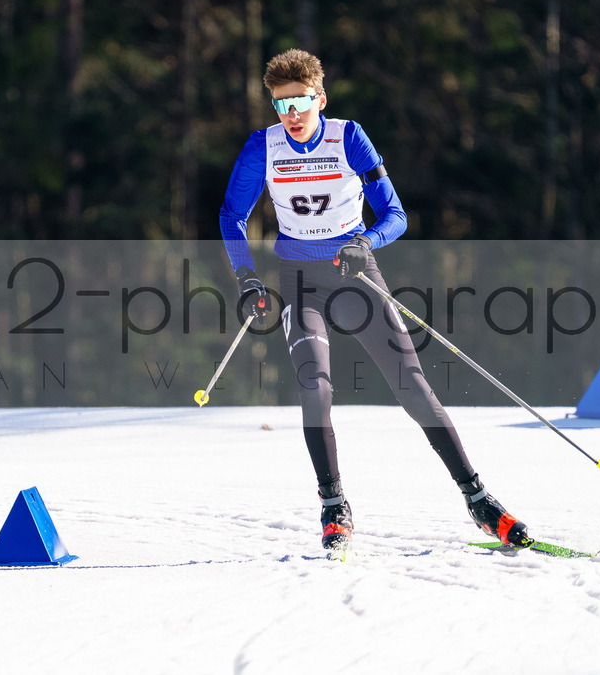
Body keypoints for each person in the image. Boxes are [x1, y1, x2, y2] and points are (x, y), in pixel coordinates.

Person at [218, 48, 529, 553]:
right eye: (280, 105)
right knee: (314, 386)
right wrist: (246, 279)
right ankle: (333, 506)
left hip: (354, 275)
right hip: (300, 279)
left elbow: (395, 215)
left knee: (412, 386)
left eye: (299, 102)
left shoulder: (348, 137)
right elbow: (231, 216)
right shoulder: (263, 148)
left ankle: (478, 498)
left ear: (320, 98)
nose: (291, 115)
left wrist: (366, 243)